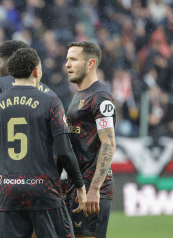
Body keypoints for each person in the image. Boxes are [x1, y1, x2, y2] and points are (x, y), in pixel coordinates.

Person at [0, 48, 87, 238]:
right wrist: (80, 186)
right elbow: (65, 151)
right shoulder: (51, 102)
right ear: (36, 71)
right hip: (44, 191)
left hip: (8, 190)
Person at [64, 41, 116, 238]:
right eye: (67, 59)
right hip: (78, 188)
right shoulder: (80, 95)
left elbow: (109, 143)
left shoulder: (100, 96)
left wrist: (94, 188)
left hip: (92, 190)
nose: (67, 64)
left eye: (73, 59)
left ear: (90, 63)